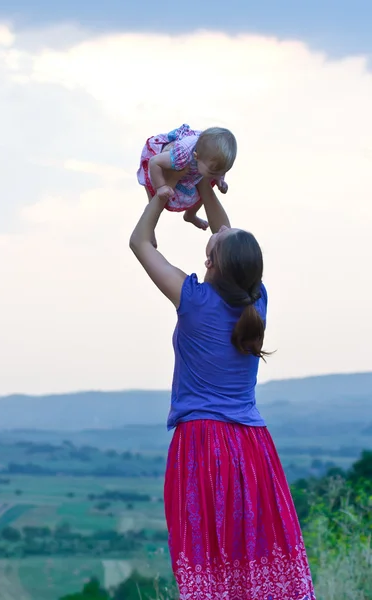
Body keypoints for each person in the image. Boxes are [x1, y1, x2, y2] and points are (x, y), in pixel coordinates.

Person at [129, 181, 316, 600]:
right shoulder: (257, 301)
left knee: (210, 556)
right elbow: (228, 238)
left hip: (201, 443)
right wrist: (205, 186)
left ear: (210, 261)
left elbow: (140, 242)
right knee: (253, 550)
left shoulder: (192, 299)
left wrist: (161, 198)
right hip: (253, 447)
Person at [136, 124, 237, 241]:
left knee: (205, 186)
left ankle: (190, 215)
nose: (217, 175)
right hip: (160, 165)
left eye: (222, 172)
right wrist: (161, 186)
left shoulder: (211, 159)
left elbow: (218, 170)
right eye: (214, 172)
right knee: (156, 198)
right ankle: (149, 229)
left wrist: (220, 180)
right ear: (196, 157)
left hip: (191, 168)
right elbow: (154, 162)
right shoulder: (181, 154)